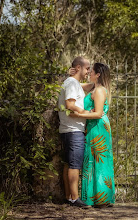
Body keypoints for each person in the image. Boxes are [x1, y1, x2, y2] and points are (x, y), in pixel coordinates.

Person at [70, 63, 115, 208]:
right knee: (92, 161)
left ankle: (102, 199)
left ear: (98, 74)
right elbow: (75, 85)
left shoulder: (100, 91)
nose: (89, 73)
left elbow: (98, 113)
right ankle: (96, 198)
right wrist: (70, 75)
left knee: (99, 162)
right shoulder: (93, 87)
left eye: (92, 71)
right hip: (92, 128)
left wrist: (78, 115)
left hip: (98, 128)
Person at [58, 56, 92, 208]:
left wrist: (98, 80)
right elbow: (70, 105)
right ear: (78, 68)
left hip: (68, 130)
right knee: (74, 165)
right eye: (87, 68)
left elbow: (86, 86)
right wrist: (84, 112)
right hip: (74, 131)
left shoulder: (73, 83)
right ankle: (75, 199)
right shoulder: (72, 83)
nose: (88, 71)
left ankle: (68, 196)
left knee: (68, 163)